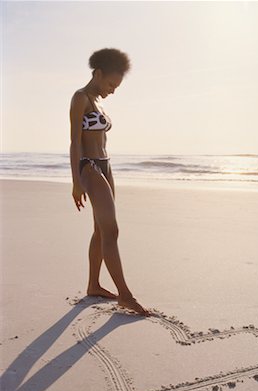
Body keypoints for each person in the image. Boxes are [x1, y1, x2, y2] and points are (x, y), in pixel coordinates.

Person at [69, 48, 149, 316]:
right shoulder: (80, 98)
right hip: (89, 166)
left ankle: (93, 284)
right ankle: (125, 295)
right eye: (111, 84)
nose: (113, 90)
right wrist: (76, 181)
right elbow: (75, 141)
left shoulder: (99, 102)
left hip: (106, 165)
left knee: (101, 230)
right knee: (111, 232)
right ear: (98, 73)